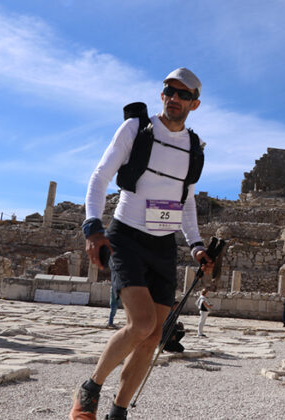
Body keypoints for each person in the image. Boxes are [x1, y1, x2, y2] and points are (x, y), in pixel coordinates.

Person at [70, 68, 214, 420]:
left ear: (194, 104)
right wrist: (93, 226)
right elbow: (100, 176)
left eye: (182, 95)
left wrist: (196, 244)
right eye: (168, 91)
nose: (173, 99)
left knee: (152, 339)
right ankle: (90, 389)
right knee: (142, 324)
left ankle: (118, 413)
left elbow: (187, 201)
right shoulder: (136, 129)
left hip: (163, 246)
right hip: (126, 237)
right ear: (161, 93)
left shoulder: (194, 147)